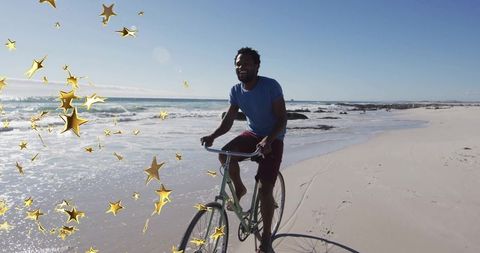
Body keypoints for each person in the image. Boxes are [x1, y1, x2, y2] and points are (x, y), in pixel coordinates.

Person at [201, 47, 287, 253]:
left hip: (273, 138)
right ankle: (239, 189)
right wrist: (213, 136)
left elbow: (282, 119)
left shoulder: (270, 86)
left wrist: (268, 140)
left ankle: (266, 240)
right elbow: (229, 120)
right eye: (238, 64)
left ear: (257, 66)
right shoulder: (236, 91)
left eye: (247, 63)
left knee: (265, 189)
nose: (242, 67)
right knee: (225, 154)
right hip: (252, 134)